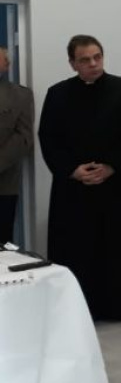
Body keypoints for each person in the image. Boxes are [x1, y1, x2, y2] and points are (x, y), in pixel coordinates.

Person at [39, 35, 121, 320]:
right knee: (77, 246)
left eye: (97, 57)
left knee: (117, 245)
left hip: (116, 184)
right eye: (85, 60)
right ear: (72, 63)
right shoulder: (57, 94)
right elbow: (48, 138)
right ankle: (78, 307)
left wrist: (111, 166)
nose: (93, 64)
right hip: (74, 187)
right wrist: (72, 170)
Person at [0, 46, 34, 246]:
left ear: (6, 65)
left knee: (2, 249)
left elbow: (24, 138)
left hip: (3, 186)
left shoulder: (20, 96)